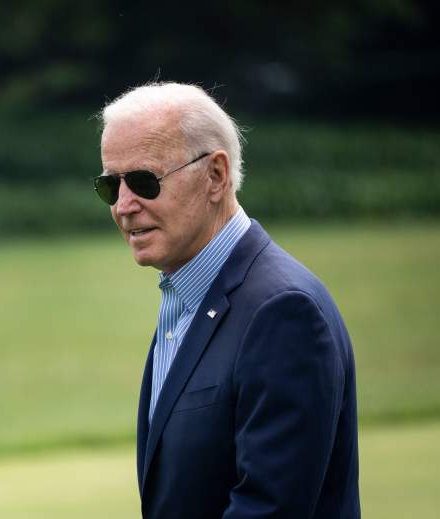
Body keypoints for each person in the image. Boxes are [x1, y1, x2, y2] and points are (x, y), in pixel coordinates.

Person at [94, 82, 360, 518]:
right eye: (110, 185)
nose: (124, 205)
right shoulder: (186, 293)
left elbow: (270, 508)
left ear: (215, 176)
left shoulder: (283, 311)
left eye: (144, 181)